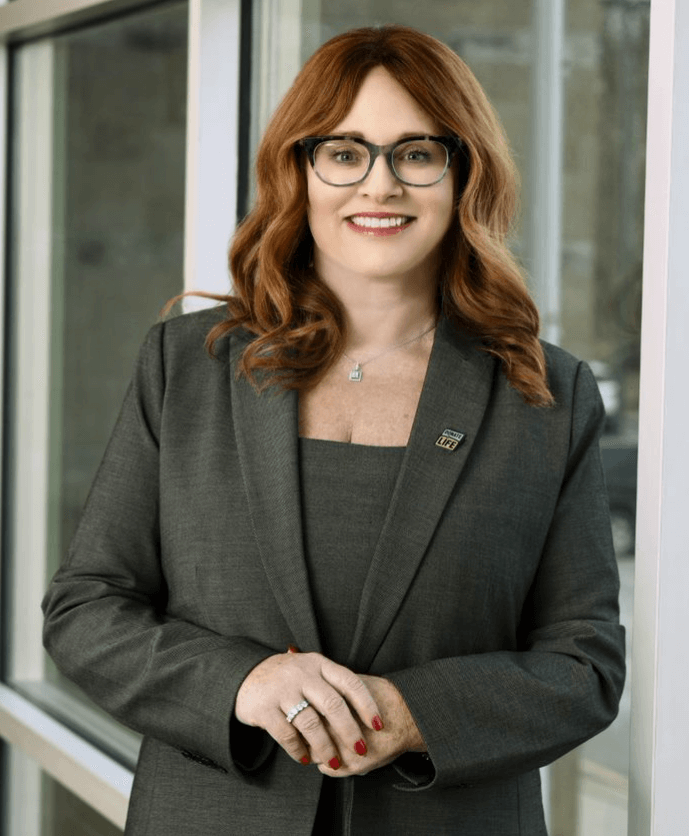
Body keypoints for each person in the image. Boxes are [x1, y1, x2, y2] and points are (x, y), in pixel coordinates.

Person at [42, 25, 626, 836]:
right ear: (299, 171)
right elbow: (87, 609)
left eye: (415, 153)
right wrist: (243, 685)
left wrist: (412, 712)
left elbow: (583, 665)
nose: (377, 185)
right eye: (344, 153)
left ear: (462, 175)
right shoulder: (188, 367)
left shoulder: (543, 392)